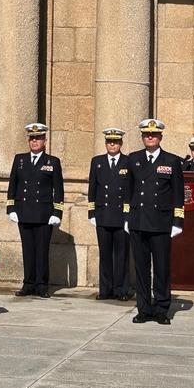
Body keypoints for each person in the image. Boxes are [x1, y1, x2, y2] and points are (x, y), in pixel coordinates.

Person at [125, 118, 184, 325]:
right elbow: (128, 190)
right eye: (146, 134)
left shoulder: (172, 161)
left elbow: (178, 194)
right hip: (138, 221)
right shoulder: (133, 158)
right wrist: (126, 217)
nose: (150, 137)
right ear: (142, 137)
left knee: (161, 267)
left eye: (154, 134)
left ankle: (161, 308)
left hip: (161, 222)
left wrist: (178, 221)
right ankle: (143, 308)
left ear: (160, 137)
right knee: (141, 268)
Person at [6, 123, 65, 298]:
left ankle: (42, 285)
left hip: (44, 214)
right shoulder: (20, 160)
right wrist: (11, 208)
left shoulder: (52, 162)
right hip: (24, 212)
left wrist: (57, 212)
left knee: (42, 250)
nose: (34, 141)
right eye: (32, 138)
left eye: (38, 138)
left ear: (44, 141)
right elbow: (13, 185)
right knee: (28, 250)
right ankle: (28, 283)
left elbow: (59, 189)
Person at [87, 128, 131, 301]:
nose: (112, 144)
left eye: (115, 141)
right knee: (105, 255)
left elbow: (129, 190)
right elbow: (92, 188)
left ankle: (121, 290)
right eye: (109, 141)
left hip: (121, 216)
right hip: (103, 214)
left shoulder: (128, 162)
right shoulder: (97, 162)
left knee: (121, 255)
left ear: (121, 143)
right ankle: (105, 290)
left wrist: (129, 215)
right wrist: (92, 211)